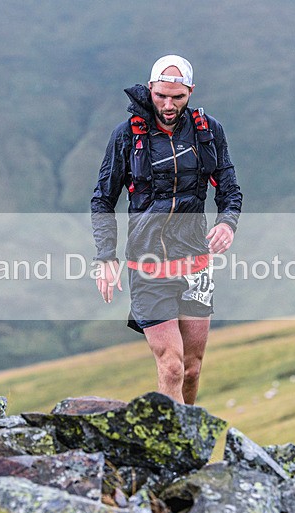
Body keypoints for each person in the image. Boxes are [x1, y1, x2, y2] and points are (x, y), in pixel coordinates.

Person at [91, 54, 242, 405]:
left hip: (195, 266)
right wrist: (105, 256)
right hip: (148, 268)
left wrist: (227, 222)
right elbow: (103, 198)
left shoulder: (208, 132)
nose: (168, 104)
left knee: (191, 369)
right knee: (171, 366)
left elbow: (230, 189)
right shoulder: (128, 136)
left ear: (191, 91)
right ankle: (170, 445)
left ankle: (186, 439)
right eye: (161, 95)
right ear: (150, 88)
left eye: (178, 97)